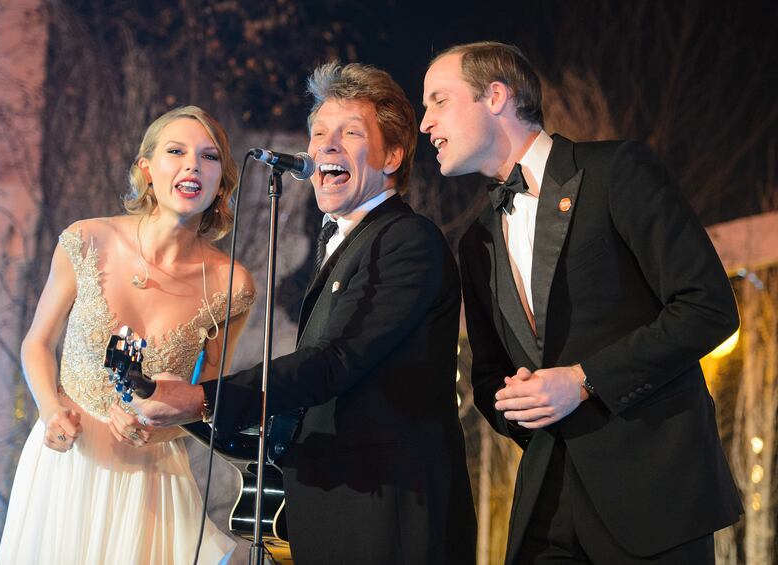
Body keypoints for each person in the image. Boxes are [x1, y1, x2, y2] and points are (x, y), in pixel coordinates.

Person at [132, 62, 478, 565]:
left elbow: (335, 360)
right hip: (340, 513)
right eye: (318, 133)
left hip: (390, 519)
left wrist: (204, 398)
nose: (326, 146)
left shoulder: (407, 241)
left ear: (394, 155)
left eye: (350, 132)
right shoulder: (343, 239)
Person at [420, 41, 742, 564]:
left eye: (438, 100)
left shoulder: (617, 171)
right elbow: (488, 377)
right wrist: (518, 406)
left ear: (496, 95)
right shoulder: (475, 241)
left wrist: (583, 379)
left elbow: (707, 307)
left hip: (651, 492)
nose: (425, 123)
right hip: (547, 499)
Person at [0, 106, 255, 564]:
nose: (192, 164)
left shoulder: (230, 284)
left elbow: (207, 398)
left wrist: (158, 432)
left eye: (208, 156)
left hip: (152, 476)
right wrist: (51, 409)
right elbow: (37, 343)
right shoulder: (87, 239)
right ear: (147, 169)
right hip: (68, 463)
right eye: (175, 151)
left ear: (222, 183)